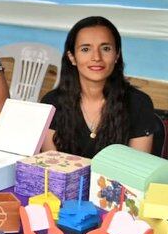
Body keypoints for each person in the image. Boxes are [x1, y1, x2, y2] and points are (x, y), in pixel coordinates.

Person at [41, 16, 157, 158]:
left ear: (117, 55)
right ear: (72, 57)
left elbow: (136, 170)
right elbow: (53, 169)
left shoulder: (138, 103)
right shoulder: (51, 103)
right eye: (85, 49)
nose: (96, 57)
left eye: (106, 48)